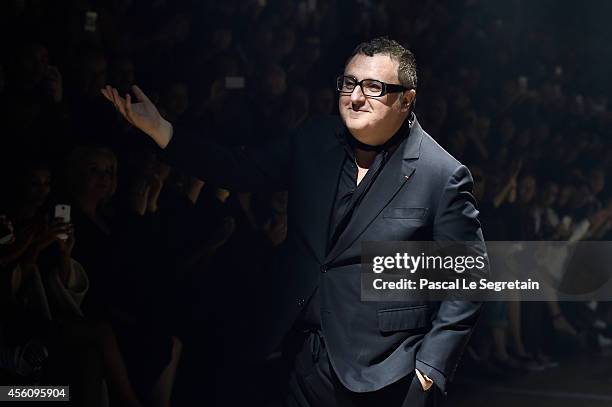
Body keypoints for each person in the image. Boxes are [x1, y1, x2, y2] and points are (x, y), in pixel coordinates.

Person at [102, 37, 487, 407]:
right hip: (298, 355)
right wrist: (162, 131)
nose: (355, 97)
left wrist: (431, 368)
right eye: (349, 83)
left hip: (386, 370)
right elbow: (240, 170)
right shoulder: (314, 139)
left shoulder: (442, 174)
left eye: (373, 87)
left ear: (406, 99)